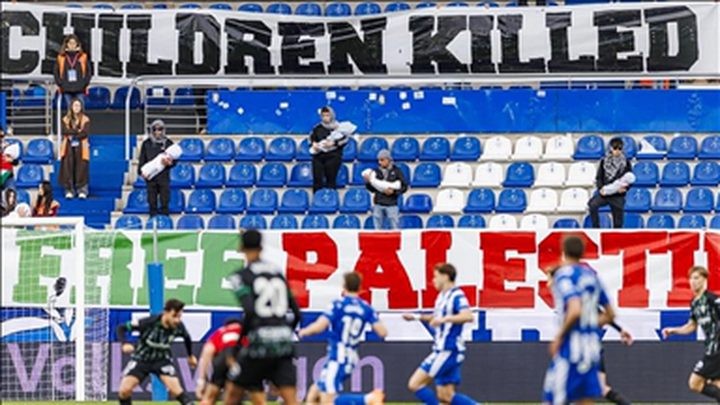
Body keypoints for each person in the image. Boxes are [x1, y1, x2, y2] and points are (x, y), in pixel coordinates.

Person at [225, 229, 301, 405]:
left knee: (233, 393)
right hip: (283, 344)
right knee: (291, 399)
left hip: (259, 345)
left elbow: (250, 311)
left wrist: (240, 342)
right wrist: (283, 331)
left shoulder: (240, 277)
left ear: (241, 248)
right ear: (261, 247)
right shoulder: (277, 273)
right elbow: (296, 313)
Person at [543, 236, 616, 405]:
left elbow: (574, 309)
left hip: (571, 350)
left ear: (563, 252)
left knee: (553, 398)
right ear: (582, 253)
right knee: (584, 400)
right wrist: (588, 323)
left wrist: (559, 336)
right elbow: (610, 314)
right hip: (591, 349)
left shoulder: (564, 276)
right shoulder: (592, 277)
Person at [298, 272, 387, 405]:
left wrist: (304, 331)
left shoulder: (338, 305)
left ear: (344, 287)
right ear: (359, 287)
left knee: (327, 400)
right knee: (313, 394)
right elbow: (383, 332)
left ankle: (368, 399)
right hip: (350, 356)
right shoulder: (365, 308)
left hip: (338, 357)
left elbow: (320, 325)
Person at [402, 263, 477, 405]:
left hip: (447, 350)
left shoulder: (457, 295)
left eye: (436, 277)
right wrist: (416, 317)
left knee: (415, 384)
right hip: (443, 349)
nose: (433, 280)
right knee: (446, 396)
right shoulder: (441, 297)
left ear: (445, 276)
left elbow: (468, 316)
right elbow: (436, 318)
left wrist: (445, 319)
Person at [116, 298, 197, 405]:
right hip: (141, 359)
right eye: (174, 316)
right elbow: (121, 328)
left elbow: (187, 338)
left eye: (179, 316)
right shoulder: (148, 322)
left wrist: (190, 355)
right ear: (165, 313)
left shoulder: (179, 327)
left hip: (162, 361)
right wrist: (124, 343)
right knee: (124, 390)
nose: (177, 320)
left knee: (177, 391)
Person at [661, 266, 720, 402]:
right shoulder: (694, 303)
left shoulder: (712, 299)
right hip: (711, 347)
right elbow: (691, 326)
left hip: (717, 348)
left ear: (704, 279)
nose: (692, 281)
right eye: (691, 278)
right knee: (716, 384)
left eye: (696, 278)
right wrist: (673, 330)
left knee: (694, 383)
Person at [195, 318, 243, 405]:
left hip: (221, 360)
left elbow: (206, 353)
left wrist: (201, 381)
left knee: (209, 398)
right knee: (234, 399)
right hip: (238, 359)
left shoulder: (220, 332)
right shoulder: (242, 331)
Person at [587, 137, 632, 228]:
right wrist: (601, 189)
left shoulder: (626, 163)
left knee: (618, 221)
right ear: (611, 148)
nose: (617, 151)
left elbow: (630, 178)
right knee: (592, 205)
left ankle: (617, 234)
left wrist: (625, 189)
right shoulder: (604, 161)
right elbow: (599, 177)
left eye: (619, 148)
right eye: (615, 148)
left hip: (618, 195)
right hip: (605, 193)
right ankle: (596, 228)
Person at [138, 120, 175, 217]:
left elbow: (175, 160)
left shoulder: (169, 143)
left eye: (160, 129)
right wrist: (141, 172)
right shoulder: (146, 143)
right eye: (155, 129)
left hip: (163, 177)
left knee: (165, 201)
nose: (157, 132)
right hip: (151, 177)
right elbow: (142, 159)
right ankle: (152, 221)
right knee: (152, 202)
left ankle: (165, 222)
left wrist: (170, 163)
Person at [365, 149, 407, 230]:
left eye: (382, 160)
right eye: (379, 160)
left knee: (394, 227)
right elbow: (372, 189)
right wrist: (368, 182)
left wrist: (393, 192)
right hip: (378, 203)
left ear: (388, 159)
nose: (380, 162)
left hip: (391, 204)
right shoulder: (375, 172)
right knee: (377, 228)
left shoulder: (397, 171)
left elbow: (404, 187)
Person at [310, 106, 348, 192]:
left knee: (330, 179)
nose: (325, 118)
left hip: (333, 156)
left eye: (327, 115)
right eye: (323, 115)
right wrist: (314, 144)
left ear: (332, 115)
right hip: (318, 156)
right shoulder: (317, 128)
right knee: (317, 179)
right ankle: (317, 197)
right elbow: (312, 139)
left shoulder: (339, 127)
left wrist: (333, 143)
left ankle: (330, 197)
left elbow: (345, 140)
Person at [59, 98, 90, 199]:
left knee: (82, 168)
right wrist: (77, 131)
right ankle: (69, 190)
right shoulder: (65, 119)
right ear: (71, 107)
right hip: (67, 146)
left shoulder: (85, 119)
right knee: (68, 168)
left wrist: (72, 133)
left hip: (82, 146)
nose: (77, 107)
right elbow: (64, 131)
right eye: (75, 105)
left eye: (79, 105)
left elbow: (85, 133)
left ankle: (82, 190)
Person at [54, 34, 91, 107]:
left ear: (77, 44)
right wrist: (61, 84)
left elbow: (88, 71)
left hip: (80, 88)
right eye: (70, 43)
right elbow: (56, 72)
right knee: (70, 109)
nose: (72, 45)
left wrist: (85, 83)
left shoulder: (83, 56)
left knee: (79, 108)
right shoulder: (61, 57)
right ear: (66, 44)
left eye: (74, 43)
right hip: (66, 88)